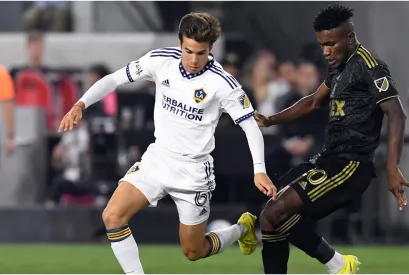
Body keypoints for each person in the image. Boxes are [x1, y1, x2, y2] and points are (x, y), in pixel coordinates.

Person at [58, 12, 277, 274]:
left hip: (193, 171)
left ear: (211, 49)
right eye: (189, 51)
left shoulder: (223, 84)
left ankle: (242, 228)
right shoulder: (160, 61)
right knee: (112, 216)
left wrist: (259, 169)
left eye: (201, 53)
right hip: (157, 159)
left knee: (193, 251)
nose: (194, 59)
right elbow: (115, 79)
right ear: (179, 43)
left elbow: (250, 126)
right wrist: (81, 104)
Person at [254, 4, 409, 274]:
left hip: (349, 164)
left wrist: (392, 167)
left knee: (274, 212)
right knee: (270, 214)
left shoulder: (370, 65)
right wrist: (272, 119)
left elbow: (397, 115)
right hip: (327, 159)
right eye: (322, 45)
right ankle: (339, 264)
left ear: (350, 38)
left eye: (331, 43)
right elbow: (313, 102)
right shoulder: (339, 66)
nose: (325, 51)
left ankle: (337, 263)